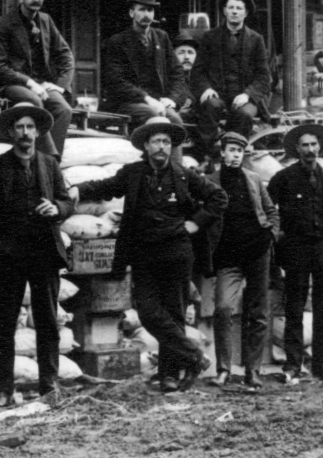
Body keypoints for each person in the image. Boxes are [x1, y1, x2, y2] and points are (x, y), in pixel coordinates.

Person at [72, 118, 227, 391]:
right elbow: (105, 187)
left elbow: (218, 197)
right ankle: (194, 356)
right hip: (143, 254)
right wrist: (77, 189)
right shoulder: (133, 174)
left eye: (166, 142)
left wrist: (195, 222)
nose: (161, 146)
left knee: (174, 313)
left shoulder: (183, 175)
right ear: (146, 145)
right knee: (148, 312)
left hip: (177, 254)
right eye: (156, 141)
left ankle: (169, 374)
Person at [0, 102, 76, 406]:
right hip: (10, 255)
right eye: (19, 127)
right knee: (5, 323)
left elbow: (67, 202)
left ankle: (49, 385)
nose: (25, 133)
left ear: (39, 132)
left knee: (47, 321)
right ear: (10, 133)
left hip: (44, 252)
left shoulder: (49, 164)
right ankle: (2, 391)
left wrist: (57, 209)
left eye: (30, 127)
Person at [267, 123, 323, 383]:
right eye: (305, 145)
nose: (310, 149)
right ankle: (293, 365)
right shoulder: (283, 178)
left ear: (320, 147)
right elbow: (270, 211)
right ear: (296, 149)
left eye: (314, 145)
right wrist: (278, 235)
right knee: (295, 308)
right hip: (296, 248)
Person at [205, 131, 279, 390]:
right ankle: (224, 369)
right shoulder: (209, 181)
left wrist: (270, 233)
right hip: (228, 257)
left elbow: (270, 211)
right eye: (231, 150)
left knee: (258, 313)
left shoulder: (254, 179)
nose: (235, 155)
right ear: (222, 152)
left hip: (257, 253)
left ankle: (253, 371)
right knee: (224, 309)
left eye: (239, 151)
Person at [0, 0, 75, 159]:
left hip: (41, 84)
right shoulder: (4, 23)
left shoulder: (46, 21)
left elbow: (66, 55)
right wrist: (29, 82)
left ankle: (48, 162)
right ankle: (50, 158)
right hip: (9, 84)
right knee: (33, 101)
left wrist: (59, 85)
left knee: (63, 109)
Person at [100, 0, 188, 146]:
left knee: (174, 119)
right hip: (128, 102)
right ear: (131, 13)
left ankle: (174, 169)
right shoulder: (117, 41)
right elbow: (116, 81)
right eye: (141, 10)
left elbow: (177, 72)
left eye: (150, 10)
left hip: (158, 101)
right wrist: (146, 98)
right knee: (153, 115)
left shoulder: (161, 37)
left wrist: (172, 99)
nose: (147, 14)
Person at [190, 0, 271, 161]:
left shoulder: (256, 39)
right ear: (224, 11)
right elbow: (198, 71)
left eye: (239, 8)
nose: (235, 11)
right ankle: (208, 157)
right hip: (217, 94)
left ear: (246, 13)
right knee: (210, 105)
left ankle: (234, 157)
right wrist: (205, 88)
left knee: (244, 114)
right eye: (231, 7)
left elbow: (264, 77)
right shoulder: (210, 37)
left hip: (244, 97)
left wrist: (248, 94)